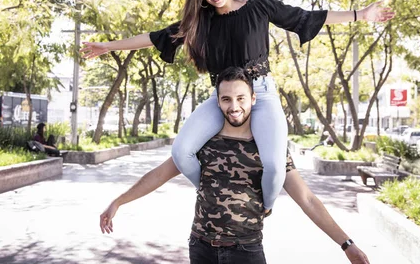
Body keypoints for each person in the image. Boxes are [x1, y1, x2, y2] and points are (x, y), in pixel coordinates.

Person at [81, 0, 394, 212]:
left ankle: (263, 206)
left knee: (273, 166)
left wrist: (361, 14)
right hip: (222, 99)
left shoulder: (258, 7)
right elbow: (154, 38)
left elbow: (306, 17)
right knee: (182, 152)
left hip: (262, 95)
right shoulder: (200, 22)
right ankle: (216, 191)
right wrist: (106, 46)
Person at [99, 67, 370, 264]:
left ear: (253, 99)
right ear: (218, 102)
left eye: (241, 98)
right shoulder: (205, 143)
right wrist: (118, 201)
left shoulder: (269, 147)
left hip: (246, 251)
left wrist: (347, 245)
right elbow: (159, 174)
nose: (234, 106)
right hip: (201, 247)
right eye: (226, 99)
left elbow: (307, 199)